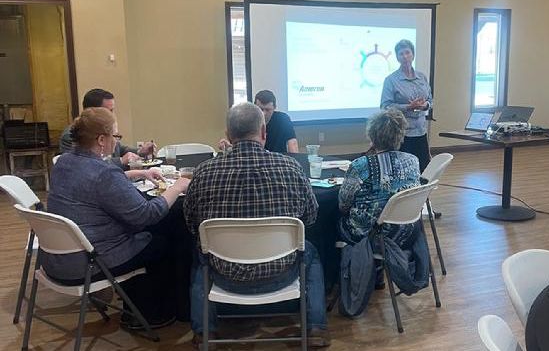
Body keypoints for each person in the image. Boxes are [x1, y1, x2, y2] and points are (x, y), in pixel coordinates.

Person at [184, 102, 328, 349]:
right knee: (311, 254)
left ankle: (205, 333)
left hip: (224, 275)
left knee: (201, 255)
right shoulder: (291, 167)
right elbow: (311, 218)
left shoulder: (204, 172)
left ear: (228, 135)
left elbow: (191, 223)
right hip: (283, 273)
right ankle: (315, 328)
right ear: (264, 132)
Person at [42, 107, 190, 328]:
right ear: (101, 139)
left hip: (58, 260)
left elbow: (95, 185)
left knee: (154, 231)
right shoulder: (103, 174)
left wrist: (139, 173)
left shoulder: (65, 162)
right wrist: (178, 187)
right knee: (164, 238)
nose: (117, 141)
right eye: (116, 136)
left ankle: (141, 306)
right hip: (90, 262)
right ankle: (151, 313)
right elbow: (146, 214)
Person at [338, 109, 422, 246]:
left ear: (371, 136)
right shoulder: (413, 161)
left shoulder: (361, 166)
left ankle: (342, 265)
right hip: (407, 231)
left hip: (371, 235)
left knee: (333, 219)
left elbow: (343, 204)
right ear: (400, 135)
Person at [59, 88, 155, 167]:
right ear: (93, 112)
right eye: (109, 111)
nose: (113, 115)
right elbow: (83, 167)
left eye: (113, 110)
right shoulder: (73, 134)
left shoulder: (105, 128)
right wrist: (120, 161)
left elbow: (119, 148)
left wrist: (140, 151)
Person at [380, 40, 433, 173]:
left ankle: (423, 194)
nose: (405, 56)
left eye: (407, 52)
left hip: (421, 131)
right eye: (401, 54)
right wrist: (408, 107)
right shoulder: (391, 80)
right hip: (402, 134)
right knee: (403, 171)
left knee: (423, 169)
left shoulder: (422, 77)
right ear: (397, 57)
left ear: (413, 55)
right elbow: (385, 106)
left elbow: (430, 100)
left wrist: (425, 105)